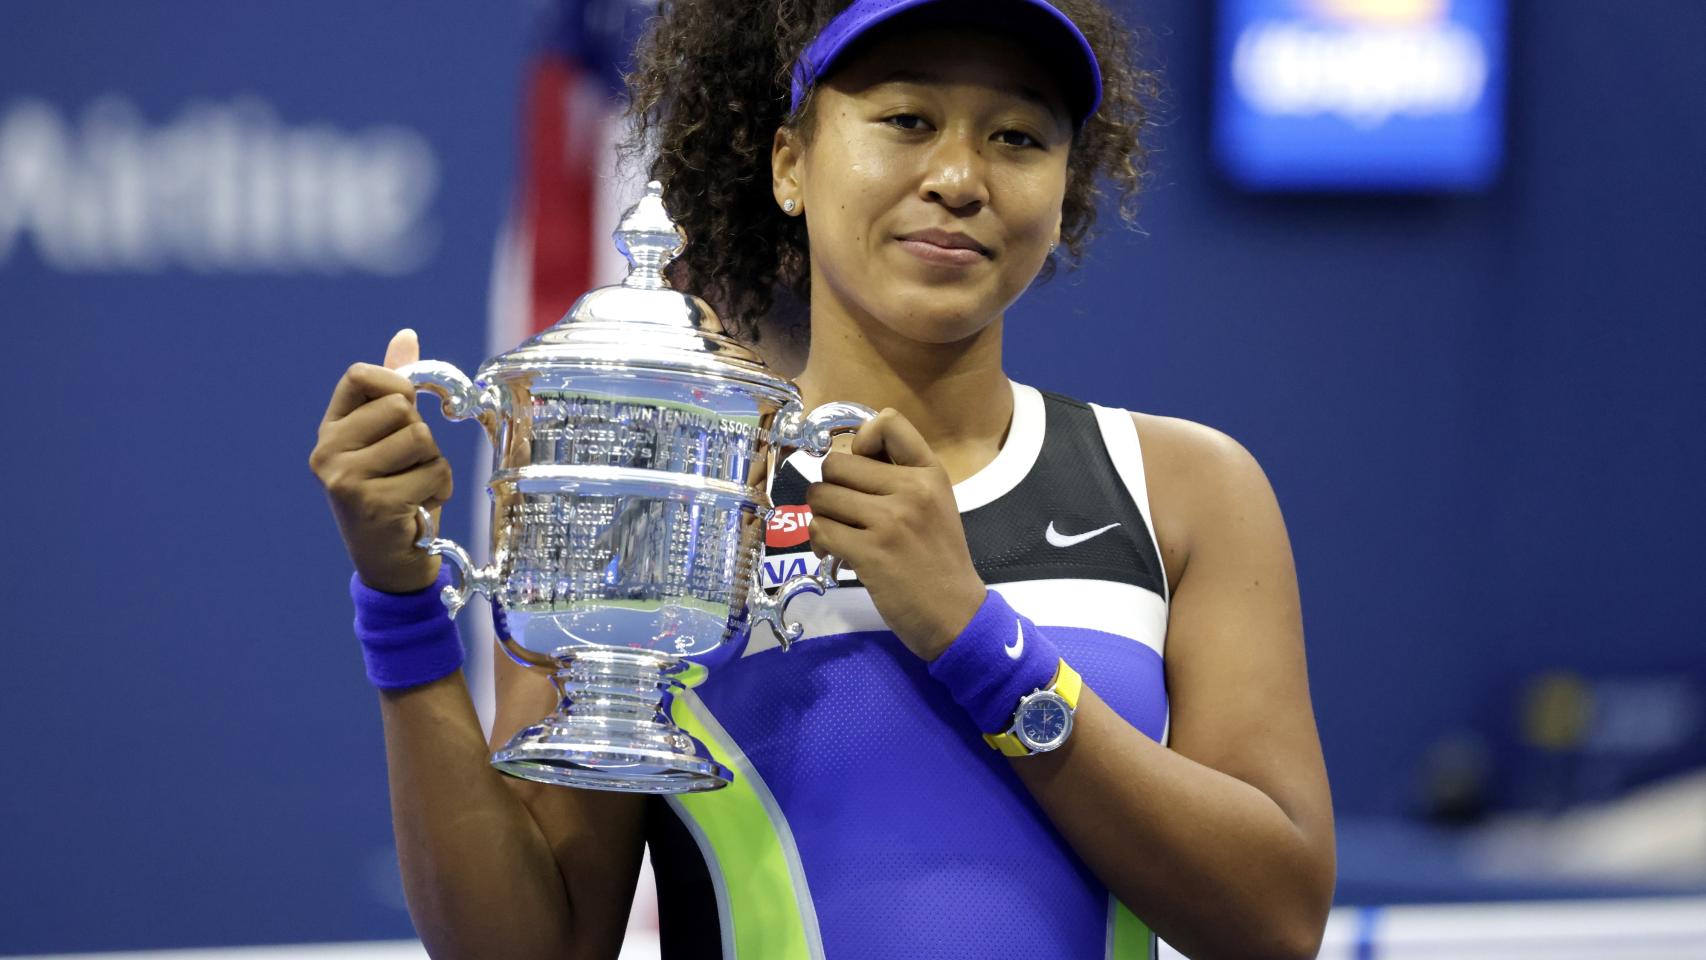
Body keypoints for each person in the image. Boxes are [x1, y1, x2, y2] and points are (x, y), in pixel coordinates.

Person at [308, 0, 1336, 957]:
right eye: (905, 119)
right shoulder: (657, 489)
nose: (958, 176)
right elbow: (529, 944)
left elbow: (1274, 919)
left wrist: (976, 640)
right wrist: (400, 606)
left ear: (1065, 183)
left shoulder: (1182, 491)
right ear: (788, 164)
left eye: (1016, 136)